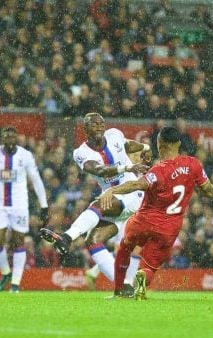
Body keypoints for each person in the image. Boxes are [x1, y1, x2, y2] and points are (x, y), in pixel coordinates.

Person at [40, 112, 150, 295]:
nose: (99, 126)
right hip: (115, 199)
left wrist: (145, 147)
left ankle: (66, 238)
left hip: (132, 193)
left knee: (99, 204)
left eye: (101, 123)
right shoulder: (80, 153)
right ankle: (123, 287)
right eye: (94, 124)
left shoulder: (114, 134)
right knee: (92, 240)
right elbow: (100, 170)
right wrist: (127, 167)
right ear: (85, 129)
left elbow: (128, 145)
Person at [99, 126, 213, 299]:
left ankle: (119, 290)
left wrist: (112, 190)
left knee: (125, 247)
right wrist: (195, 188)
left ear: (160, 145)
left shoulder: (158, 171)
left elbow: (136, 185)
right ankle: (143, 277)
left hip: (144, 221)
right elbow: (209, 191)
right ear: (179, 143)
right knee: (150, 266)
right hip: (169, 228)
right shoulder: (193, 164)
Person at [0, 127, 48, 293]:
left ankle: (15, 284)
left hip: (20, 205)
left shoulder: (25, 155)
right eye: (7, 137)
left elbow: (36, 179)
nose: (10, 140)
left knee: (18, 241)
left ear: (17, 139)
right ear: (2, 139)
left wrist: (44, 205)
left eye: (13, 137)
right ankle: (5, 273)